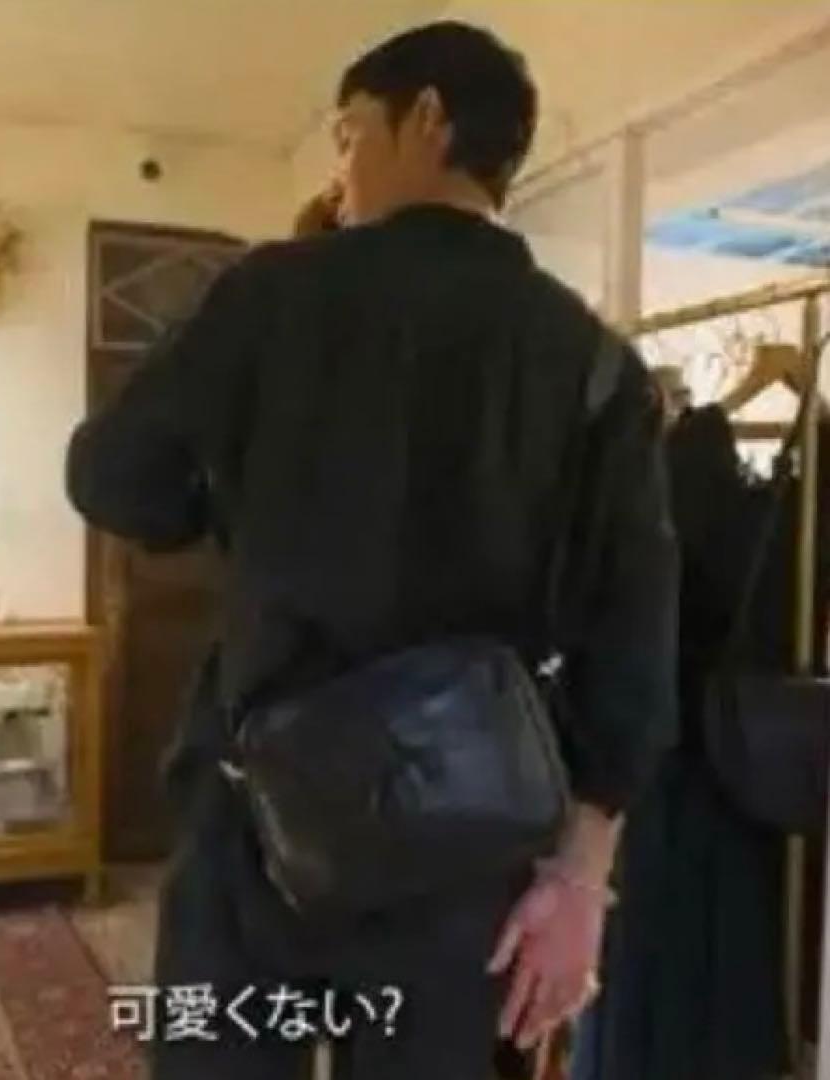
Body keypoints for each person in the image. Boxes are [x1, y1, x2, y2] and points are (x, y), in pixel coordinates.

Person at [66, 21, 678, 1080]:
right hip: (463, 849)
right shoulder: (595, 365)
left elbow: (113, 478)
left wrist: (231, 499)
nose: (341, 172)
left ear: (427, 118)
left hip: (258, 820)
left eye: (350, 135)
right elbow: (634, 638)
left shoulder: (272, 293)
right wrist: (580, 881)